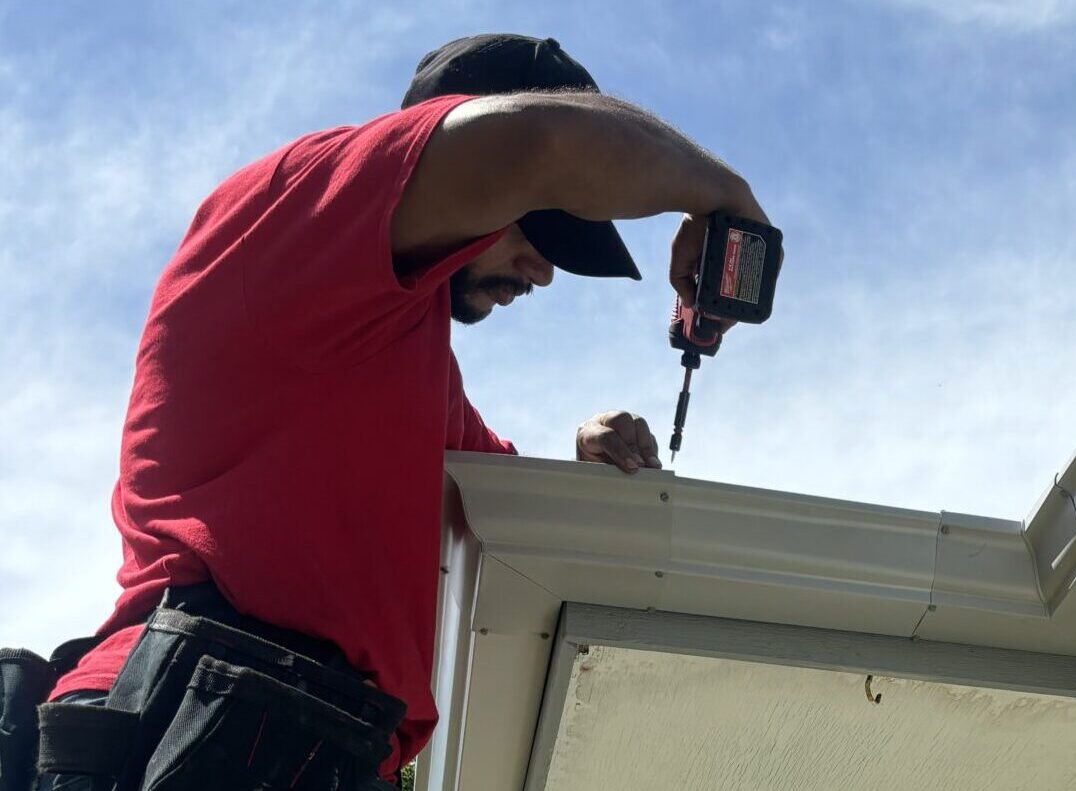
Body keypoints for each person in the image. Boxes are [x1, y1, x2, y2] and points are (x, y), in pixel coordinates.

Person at [31, 33, 777, 790]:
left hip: (294, 736)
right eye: (540, 223)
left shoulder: (402, 359)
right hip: (198, 715)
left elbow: (498, 512)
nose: (543, 270)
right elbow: (540, 144)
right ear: (443, 148)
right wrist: (723, 196)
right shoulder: (302, 204)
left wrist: (580, 467)